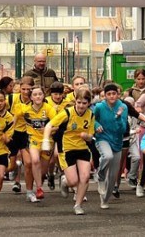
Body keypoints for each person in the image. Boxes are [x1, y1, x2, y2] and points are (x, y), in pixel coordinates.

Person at [43, 87, 95, 215]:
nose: (81, 106)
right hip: (66, 148)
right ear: (75, 101)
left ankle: (78, 205)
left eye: (84, 103)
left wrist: (86, 136)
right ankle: (65, 182)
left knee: (85, 177)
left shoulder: (91, 115)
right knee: (73, 181)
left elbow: (91, 136)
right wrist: (45, 141)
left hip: (82, 148)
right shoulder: (67, 113)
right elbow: (50, 125)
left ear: (89, 103)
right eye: (79, 102)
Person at [16, 86, 56, 202]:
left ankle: (39, 183)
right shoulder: (25, 109)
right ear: (31, 97)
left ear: (43, 96)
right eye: (35, 94)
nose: (38, 96)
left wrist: (49, 129)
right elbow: (12, 119)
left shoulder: (49, 109)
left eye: (40, 94)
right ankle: (38, 189)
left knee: (42, 171)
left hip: (47, 141)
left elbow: (57, 126)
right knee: (34, 160)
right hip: (32, 139)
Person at [93, 83, 128, 209]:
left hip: (117, 141)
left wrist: (118, 117)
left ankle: (105, 199)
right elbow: (92, 119)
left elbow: (123, 129)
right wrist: (96, 126)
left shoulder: (123, 107)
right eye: (109, 94)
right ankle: (100, 175)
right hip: (103, 138)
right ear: (105, 96)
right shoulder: (99, 107)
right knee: (107, 156)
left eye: (114, 93)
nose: (112, 96)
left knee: (113, 177)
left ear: (118, 95)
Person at [6, 76, 34, 194]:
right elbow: (0, 109)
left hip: (28, 133)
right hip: (13, 133)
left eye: (29, 89)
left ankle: (29, 191)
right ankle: (8, 174)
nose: (26, 92)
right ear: (20, 88)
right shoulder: (12, 99)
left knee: (28, 163)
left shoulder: (36, 100)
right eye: (23, 89)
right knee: (12, 165)